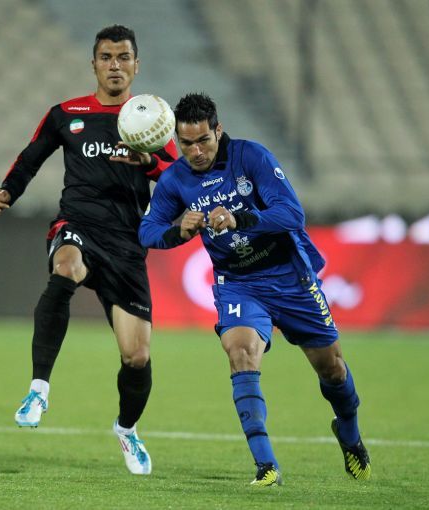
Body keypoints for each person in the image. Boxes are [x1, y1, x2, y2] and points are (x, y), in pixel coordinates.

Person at [139, 93, 370, 486]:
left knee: (332, 368)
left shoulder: (252, 157)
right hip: (238, 283)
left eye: (203, 140)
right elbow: (147, 231)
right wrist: (178, 231)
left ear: (218, 130)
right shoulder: (176, 179)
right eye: (187, 143)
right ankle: (266, 465)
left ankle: (349, 432)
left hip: (288, 274)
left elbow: (292, 213)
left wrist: (240, 218)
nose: (196, 151)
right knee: (241, 353)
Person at [0, 25, 177, 476]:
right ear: (93, 64)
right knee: (66, 266)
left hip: (127, 243)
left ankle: (127, 430)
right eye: (106, 57)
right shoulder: (67, 114)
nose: (115, 65)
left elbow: (178, 176)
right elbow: (31, 156)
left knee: (137, 357)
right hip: (78, 224)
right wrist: (8, 190)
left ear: (136, 65)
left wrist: (148, 162)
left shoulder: (151, 119)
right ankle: (38, 389)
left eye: (123, 57)